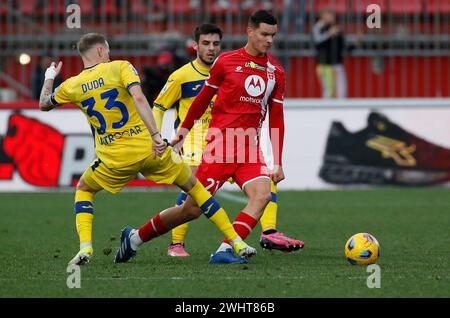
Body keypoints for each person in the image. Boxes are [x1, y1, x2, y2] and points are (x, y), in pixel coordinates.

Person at [38, 32, 256, 265]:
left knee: (83, 189)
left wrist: (50, 76)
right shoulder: (120, 67)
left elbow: (43, 103)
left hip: (113, 159)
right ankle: (237, 242)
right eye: (108, 50)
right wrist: (155, 135)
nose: (109, 54)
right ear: (101, 50)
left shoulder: (72, 85)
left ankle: (86, 248)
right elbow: (140, 99)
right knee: (196, 189)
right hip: (149, 150)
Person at [118, 10, 303, 265]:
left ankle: (225, 250)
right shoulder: (226, 62)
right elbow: (202, 100)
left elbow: (277, 118)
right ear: (250, 32)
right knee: (190, 210)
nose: (269, 40)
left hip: (250, 148)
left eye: (273, 35)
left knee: (262, 195)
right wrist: (182, 133)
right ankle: (136, 238)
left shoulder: (276, 72)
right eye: (264, 34)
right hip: (219, 147)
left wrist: (278, 161)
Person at [312, 8, 358, 99]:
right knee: (329, 91)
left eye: (332, 15)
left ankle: (341, 111)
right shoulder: (318, 28)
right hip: (325, 65)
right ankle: (326, 111)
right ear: (322, 16)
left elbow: (343, 48)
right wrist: (329, 34)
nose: (330, 17)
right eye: (328, 14)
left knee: (342, 91)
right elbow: (317, 43)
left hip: (337, 64)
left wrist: (354, 44)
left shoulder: (337, 29)